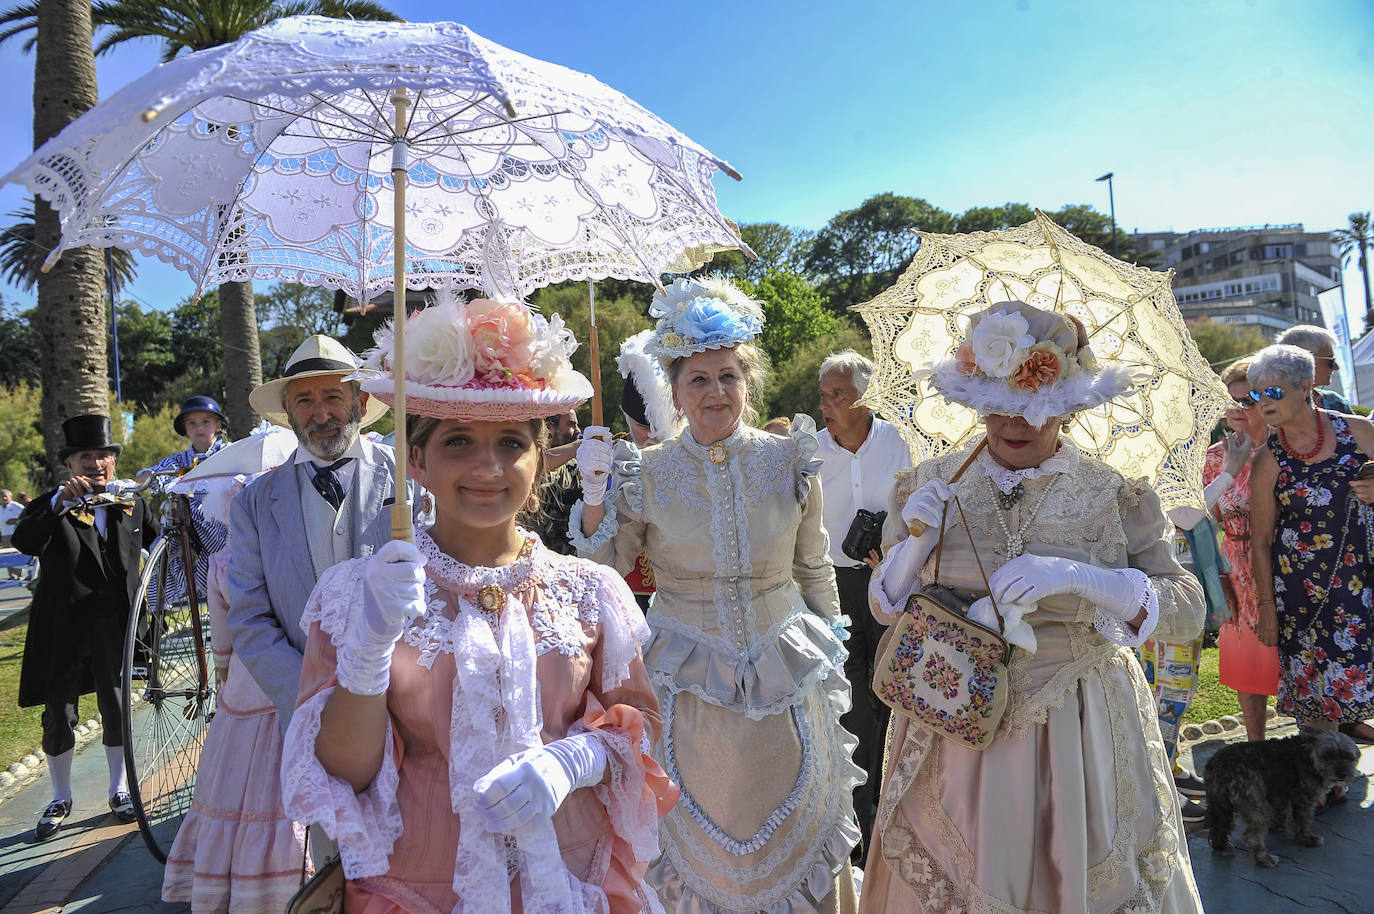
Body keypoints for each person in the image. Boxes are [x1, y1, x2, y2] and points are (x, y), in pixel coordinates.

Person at [280, 293, 675, 913]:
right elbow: (347, 774)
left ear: (540, 456)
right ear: (416, 459)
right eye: (458, 441)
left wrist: (575, 759)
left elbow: (642, 731)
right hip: (415, 890)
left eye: (511, 442)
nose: (488, 467)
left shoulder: (589, 590)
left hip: (574, 883)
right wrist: (368, 650)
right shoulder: (357, 595)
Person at [861, 302, 1205, 913]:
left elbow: (1185, 607)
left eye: (1030, 408)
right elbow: (889, 610)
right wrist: (915, 549)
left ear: (1067, 405)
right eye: (995, 405)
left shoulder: (1115, 493)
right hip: (952, 722)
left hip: (1077, 726)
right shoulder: (929, 483)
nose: (1012, 422)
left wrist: (1086, 580)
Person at [573, 276, 861, 914]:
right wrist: (594, 502)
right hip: (685, 685)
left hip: (787, 675)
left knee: (803, 829)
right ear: (674, 391)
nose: (715, 392)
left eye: (728, 376)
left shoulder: (792, 460)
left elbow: (813, 566)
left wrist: (833, 641)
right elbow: (602, 575)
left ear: (747, 382)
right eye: (698, 380)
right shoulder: (644, 473)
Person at [227, 334, 404, 732]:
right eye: (304, 401)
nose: (320, 415)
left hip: (408, 702)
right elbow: (249, 619)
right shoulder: (253, 506)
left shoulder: (412, 478)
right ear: (288, 413)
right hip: (310, 718)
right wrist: (310, 694)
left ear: (359, 403)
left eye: (332, 397)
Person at [161, 438, 309, 913]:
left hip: (246, 687)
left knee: (236, 784)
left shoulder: (224, 562)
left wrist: (224, 671)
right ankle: (290, 869)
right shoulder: (299, 552)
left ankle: (238, 878)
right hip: (294, 676)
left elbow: (221, 635)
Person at [13, 415, 159, 841]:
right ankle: (60, 796)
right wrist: (59, 503)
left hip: (114, 625)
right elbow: (25, 542)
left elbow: (164, 540)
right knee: (59, 712)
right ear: (71, 463)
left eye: (103, 456)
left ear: (114, 461)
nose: (96, 464)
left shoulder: (132, 503)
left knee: (116, 708)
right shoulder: (50, 504)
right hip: (63, 627)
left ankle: (118, 791)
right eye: (86, 457)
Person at [1248, 343, 1374, 749]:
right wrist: (1267, 608)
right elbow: (1261, 541)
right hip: (1301, 595)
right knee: (1315, 689)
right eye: (1256, 394)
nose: (1263, 402)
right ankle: (1325, 779)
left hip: (1362, 584)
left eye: (1273, 392)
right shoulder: (1269, 459)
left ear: (1305, 386)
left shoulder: (1358, 431)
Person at [814, 349, 912, 864]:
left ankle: (903, 805)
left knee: (896, 691)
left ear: (863, 398)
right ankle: (860, 821)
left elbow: (918, 508)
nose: (827, 403)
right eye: (824, 394)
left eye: (838, 394)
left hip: (892, 580)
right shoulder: (812, 452)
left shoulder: (899, 444)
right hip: (835, 586)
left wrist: (895, 546)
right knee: (850, 703)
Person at [1201, 358, 1279, 742]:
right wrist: (1217, 579)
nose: (1234, 409)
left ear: (1266, 401)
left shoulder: (1286, 449)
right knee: (1250, 669)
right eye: (1226, 400)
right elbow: (1201, 524)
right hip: (1235, 569)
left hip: (1285, 566)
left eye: (1245, 401)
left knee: (1295, 664)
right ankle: (1257, 751)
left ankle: (1314, 759)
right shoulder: (1215, 457)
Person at [131, 395, 231, 608]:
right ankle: (165, 592)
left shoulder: (229, 453)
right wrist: (137, 481)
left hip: (224, 522)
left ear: (218, 425)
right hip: (186, 520)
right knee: (164, 539)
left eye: (206, 421)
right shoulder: (179, 460)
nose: (199, 428)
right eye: (192, 423)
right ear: (185, 430)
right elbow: (154, 473)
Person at [1277, 324, 1353, 413]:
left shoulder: (1337, 403)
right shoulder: (1269, 405)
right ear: (1304, 360)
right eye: (1330, 361)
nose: (1336, 367)